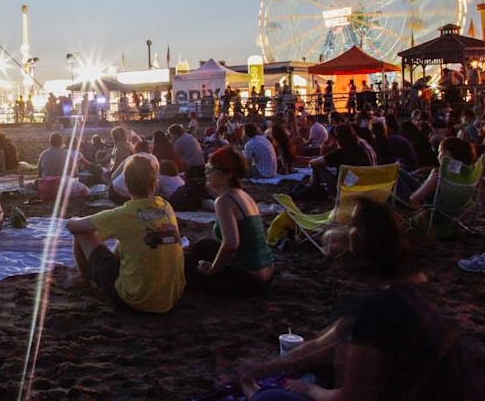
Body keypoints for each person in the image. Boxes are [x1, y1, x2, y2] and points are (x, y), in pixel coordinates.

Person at [238, 201, 478, 401]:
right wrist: (263, 369)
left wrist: (310, 390)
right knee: (317, 369)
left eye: (349, 226)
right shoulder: (413, 287)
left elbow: (353, 397)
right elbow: (323, 345)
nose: (339, 231)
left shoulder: (375, 309)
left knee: (269, 398)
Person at [66, 154, 186, 313]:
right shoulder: (166, 206)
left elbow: (72, 226)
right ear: (155, 184)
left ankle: (84, 278)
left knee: (81, 230)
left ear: (127, 186)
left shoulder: (124, 214)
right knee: (129, 237)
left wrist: (75, 220)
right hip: (170, 297)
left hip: (134, 300)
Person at [185, 147, 274, 296]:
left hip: (250, 280)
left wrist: (213, 269)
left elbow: (231, 244)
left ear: (228, 174)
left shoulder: (224, 200)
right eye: (207, 168)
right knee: (203, 247)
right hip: (266, 274)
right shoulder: (242, 195)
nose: (206, 173)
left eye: (211, 169)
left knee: (182, 265)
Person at [292, 124, 371, 200]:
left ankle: (321, 190)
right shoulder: (361, 149)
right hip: (360, 185)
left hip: (344, 188)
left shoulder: (340, 153)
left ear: (338, 139)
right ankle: (314, 188)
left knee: (318, 167)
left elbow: (313, 163)